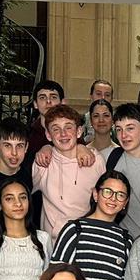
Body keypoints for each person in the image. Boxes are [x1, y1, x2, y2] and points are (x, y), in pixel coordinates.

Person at [52, 171, 134, 280]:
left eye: (120, 195)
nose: (113, 199)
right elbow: (55, 275)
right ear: (96, 194)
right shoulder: (75, 229)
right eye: (107, 192)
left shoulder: (126, 239)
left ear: (125, 203)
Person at [32, 104, 108, 243]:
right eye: (56, 129)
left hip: (86, 239)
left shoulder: (95, 161)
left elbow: (104, 200)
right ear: (48, 135)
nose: (63, 134)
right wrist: (45, 147)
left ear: (79, 132)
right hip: (54, 244)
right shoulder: (43, 162)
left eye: (68, 127)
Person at [103, 103, 140, 242]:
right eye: (119, 129)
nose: (124, 135)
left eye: (130, 128)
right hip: (112, 241)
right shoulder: (109, 156)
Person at [26, 79, 65, 156]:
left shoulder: (71, 132)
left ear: (62, 102)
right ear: (35, 104)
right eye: (42, 97)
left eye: (53, 97)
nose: (48, 101)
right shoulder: (28, 134)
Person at [80, 79, 114, 144]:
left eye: (107, 95)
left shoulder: (117, 122)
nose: (103, 97)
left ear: (111, 98)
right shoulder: (81, 120)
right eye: (98, 94)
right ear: (91, 96)